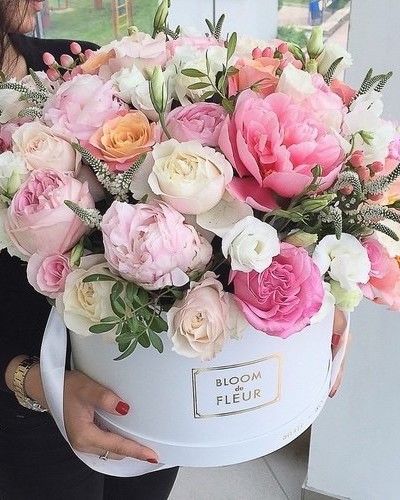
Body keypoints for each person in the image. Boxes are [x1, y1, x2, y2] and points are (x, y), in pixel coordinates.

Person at [0, 2, 178, 499]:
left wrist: (314, 281)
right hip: (23, 413)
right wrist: (35, 382)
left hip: (142, 391)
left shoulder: (86, 71)